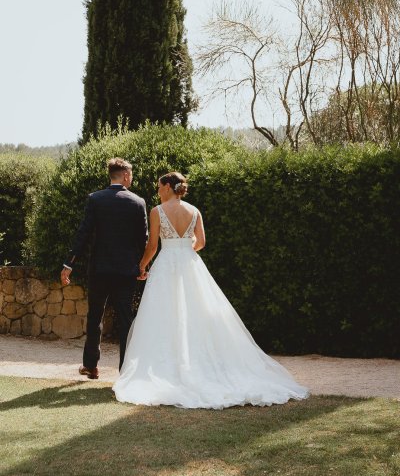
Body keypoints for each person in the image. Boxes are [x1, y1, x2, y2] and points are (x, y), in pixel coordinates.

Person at [113, 171, 309, 409]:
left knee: (163, 315)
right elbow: (202, 242)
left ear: (167, 187)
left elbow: (153, 245)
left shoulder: (157, 211)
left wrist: (142, 266)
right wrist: (185, 251)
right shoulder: (194, 211)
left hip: (166, 264)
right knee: (198, 313)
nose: (157, 190)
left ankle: (166, 368)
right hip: (190, 263)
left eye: (159, 186)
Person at [61, 158, 148, 379]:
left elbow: (84, 233)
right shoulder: (138, 202)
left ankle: (91, 366)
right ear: (126, 176)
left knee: (95, 317)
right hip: (127, 271)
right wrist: (142, 266)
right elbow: (143, 240)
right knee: (125, 318)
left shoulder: (96, 199)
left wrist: (68, 264)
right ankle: (126, 371)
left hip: (99, 269)